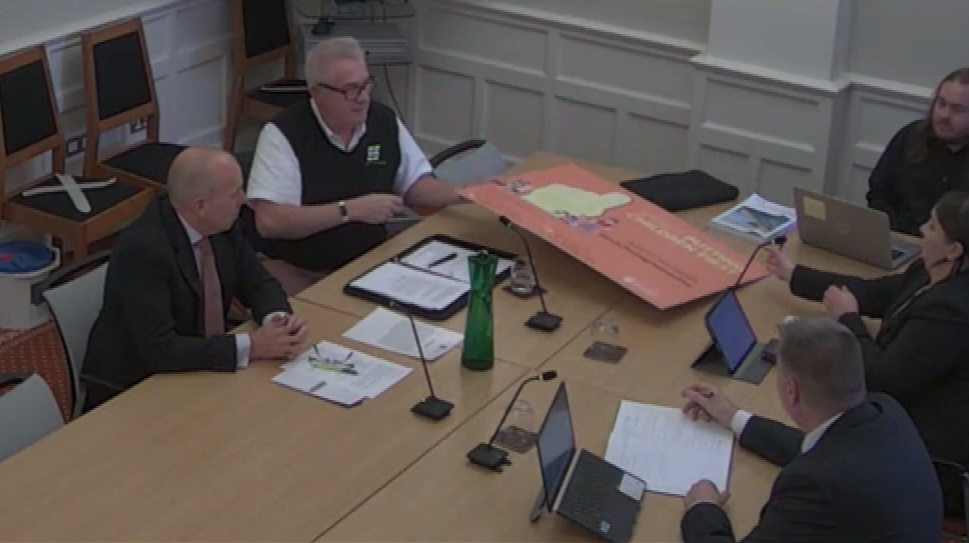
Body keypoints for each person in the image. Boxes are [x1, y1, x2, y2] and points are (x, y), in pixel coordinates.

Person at [83, 148, 307, 411]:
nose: (243, 200)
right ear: (200, 205)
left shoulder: (223, 224)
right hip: (138, 388)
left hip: (201, 368)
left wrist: (277, 322)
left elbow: (258, 283)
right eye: (234, 192)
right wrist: (253, 346)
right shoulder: (144, 250)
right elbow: (160, 349)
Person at [679, 318, 941, 543]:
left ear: (791, 390)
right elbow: (817, 448)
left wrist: (703, 510)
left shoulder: (815, 488)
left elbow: (822, 467)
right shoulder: (884, 411)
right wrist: (733, 417)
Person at [246, 37, 469, 296]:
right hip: (299, 268)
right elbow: (271, 221)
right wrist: (350, 211)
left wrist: (472, 193)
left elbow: (416, 186)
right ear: (317, 93)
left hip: (366, 260)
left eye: (366, 85)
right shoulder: (284, 134)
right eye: (350, 89)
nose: (363, 98)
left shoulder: (382, 120)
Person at [766, 190, 969, 467]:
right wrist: (793, 274)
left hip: (920, 445)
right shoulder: (927, 271)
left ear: (954, 250)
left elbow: (882, 379)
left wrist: (849, 318)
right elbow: (871, 292)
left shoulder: (949, 313)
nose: (922, 228)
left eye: (932, 227)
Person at [867, 68, 969, 235]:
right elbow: (879, 194)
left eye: (957, 109)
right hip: (899, 238)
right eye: (941, 103)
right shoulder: (911, 136)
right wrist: (893, 235)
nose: (944, 115)